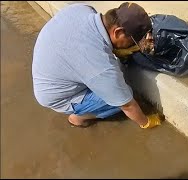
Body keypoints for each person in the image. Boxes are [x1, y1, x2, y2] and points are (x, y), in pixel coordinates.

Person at [32, 2, 161, 129]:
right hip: (58, 96)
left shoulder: (82, 9)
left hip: (51, 70)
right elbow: (127, 105)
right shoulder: (100, 65)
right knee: (124, 94)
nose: (134, 45)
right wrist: (146, 122)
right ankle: (79, 117)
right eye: (133, 41)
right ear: (118, 32)